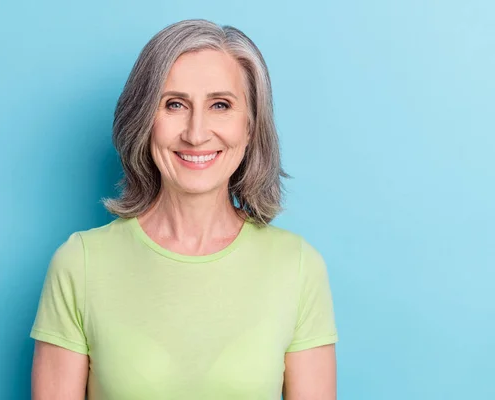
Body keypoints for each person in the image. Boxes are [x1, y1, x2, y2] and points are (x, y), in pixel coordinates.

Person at [29, 19, 338, 400]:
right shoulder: (80, 263)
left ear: (251, 125)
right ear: (144, 120)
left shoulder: (298, 267)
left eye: (220, 105)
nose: (196, 133)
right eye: (174, 104)